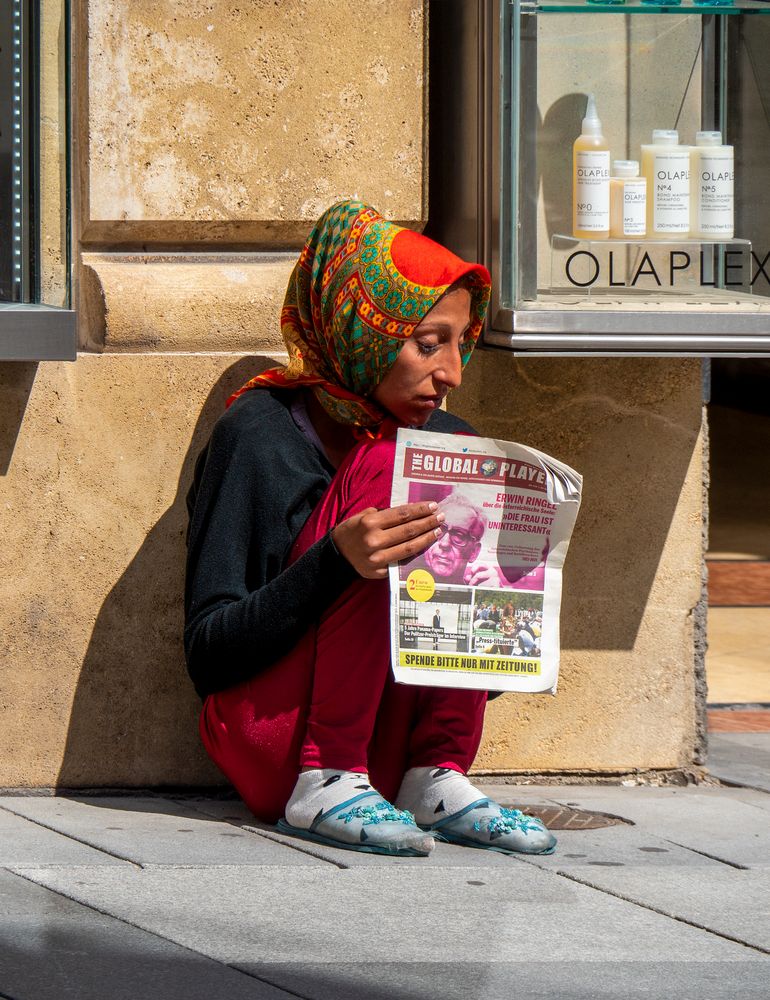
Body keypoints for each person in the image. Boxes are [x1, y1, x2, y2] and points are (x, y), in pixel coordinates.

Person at [185, 200, 555, 858]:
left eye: (459, 344)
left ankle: (439, 775)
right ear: (367, 328)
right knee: (394, 468)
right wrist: (335, 561)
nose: (452, 374)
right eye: (427, 343)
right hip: (282, 745)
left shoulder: (450, 441)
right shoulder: (260, 434)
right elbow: (208, 655)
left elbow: (467, 668)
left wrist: (508, 601)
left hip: (391, 769)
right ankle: (328, 776)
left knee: (462, 473)